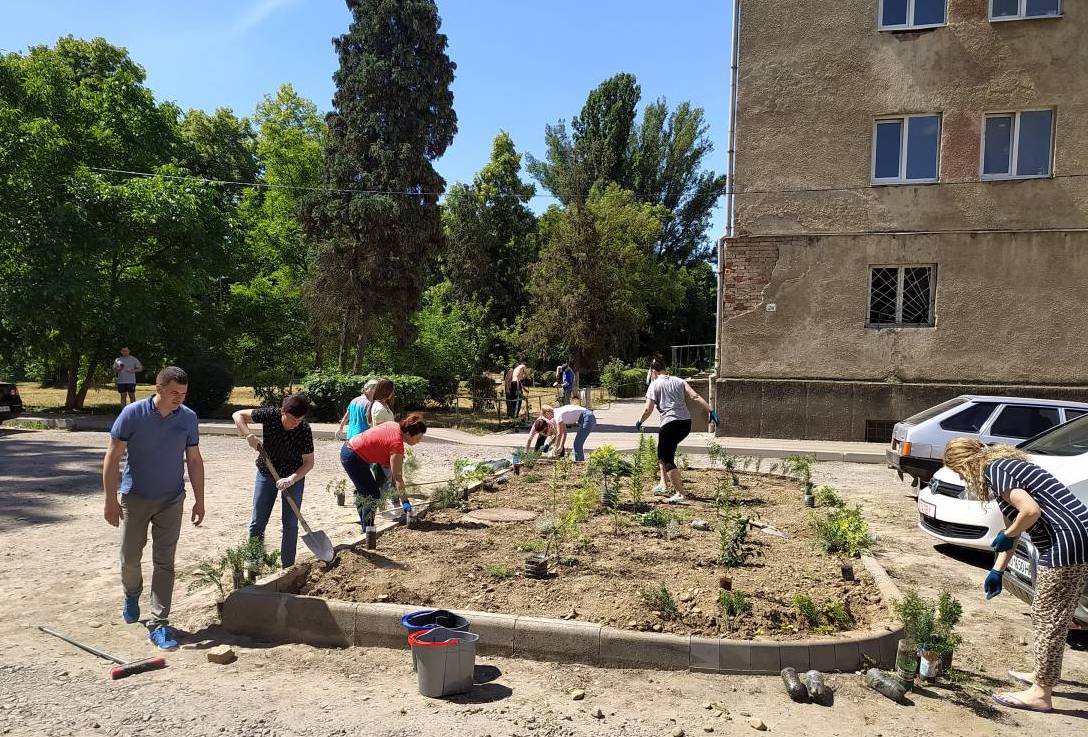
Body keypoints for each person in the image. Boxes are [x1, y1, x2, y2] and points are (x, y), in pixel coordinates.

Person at [943, 438, 1088, 714]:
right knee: (1051, 613)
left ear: (966, 463)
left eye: (959, 472)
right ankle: (1041, 675)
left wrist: (1006, 535)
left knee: (1049, 616)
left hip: (1065, 541)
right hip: (1074, 537)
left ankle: (1041, 693)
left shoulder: (994, 470)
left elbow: (1031, 512)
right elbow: (1015, 526)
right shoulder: (1005, 468)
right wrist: (997, 570)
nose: (963, 479)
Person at [102, 366, 204, 651]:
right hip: (135, 497)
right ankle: (131, 593)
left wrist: (200, 499)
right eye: (174, 393)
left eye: (183, 394)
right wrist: (110, 499)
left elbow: (194, 460)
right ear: (158, 388)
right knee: (129, 557)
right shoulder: (132, 413)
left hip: (172, 499)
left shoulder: (188, 418)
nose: (179, 399)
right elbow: (112, 456)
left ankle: (160, 622)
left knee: (165, 562)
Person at [232, 394, 315, 568]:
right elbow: (237, 414)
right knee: (258, 522)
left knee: (291, 524)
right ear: (283, 412)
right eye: (293, 419)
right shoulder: (270, 415)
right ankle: (253, 565)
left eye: (300, 419)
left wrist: (291, 479)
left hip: (293, 477)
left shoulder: (304, 430)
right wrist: (248, 435)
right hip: (266, 473)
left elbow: (309, 463)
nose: (296, 423)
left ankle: (287, 567)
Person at [636, 358, 718, 503]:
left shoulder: (654, 385)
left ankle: (681, 494)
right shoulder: (679, 381)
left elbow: (648, 409)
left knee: (666, 458)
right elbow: (695, 396)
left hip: (670, 424)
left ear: (653, 371)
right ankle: (663, 484)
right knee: (664, 453)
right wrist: (711, 411)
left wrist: (640, 421)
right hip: (685, 423)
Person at [341, 414, 428, 532]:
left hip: (349, 449)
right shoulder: (397, 444)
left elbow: (381, 445)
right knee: (372, 494)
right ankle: (368, 529)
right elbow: (398, 478)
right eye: (418, 438)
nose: (418, 442)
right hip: (354, 457)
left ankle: (365, 527)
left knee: (364, 492)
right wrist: (406, 504)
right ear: (408, 434)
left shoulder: (394, 425)